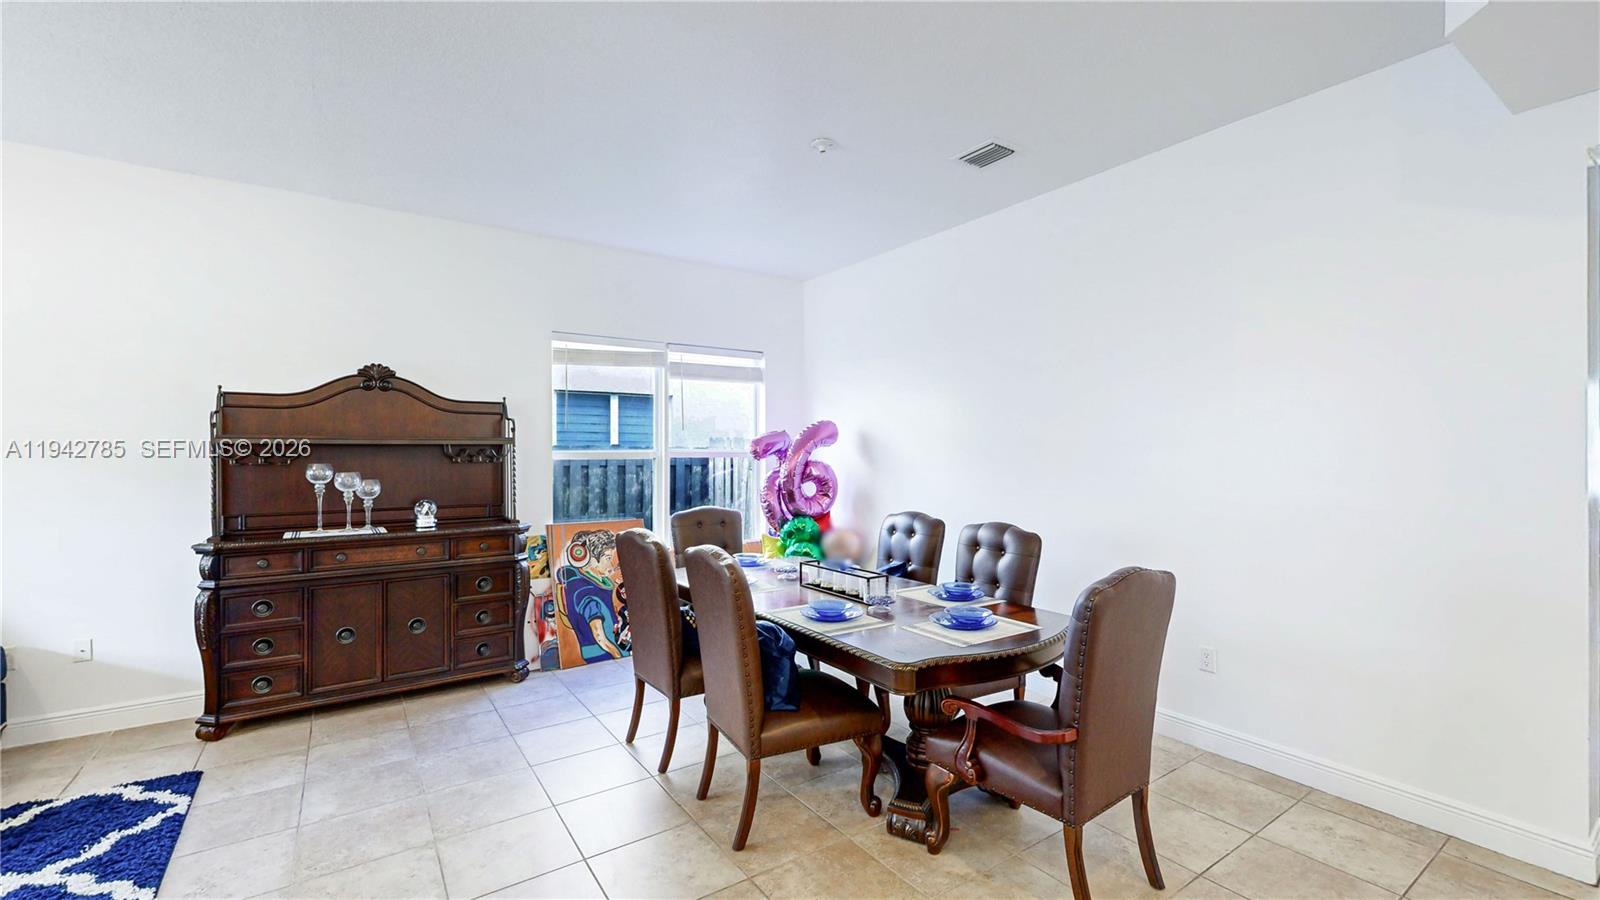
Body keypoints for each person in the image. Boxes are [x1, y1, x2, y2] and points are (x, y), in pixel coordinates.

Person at [557, 529, 625, 663]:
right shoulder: (586, 593)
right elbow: (600, 637)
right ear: (590, 559)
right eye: (608, 558)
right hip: (603, 653)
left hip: (613, 643)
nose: (611, 564)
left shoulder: (580, 582)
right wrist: (619, 657)